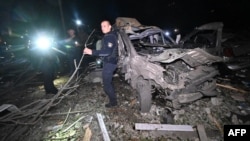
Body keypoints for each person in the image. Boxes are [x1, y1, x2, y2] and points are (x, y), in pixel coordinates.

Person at [84, 20, 118, 108]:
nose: (103, 28)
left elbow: (107, 52)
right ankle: (113, 96)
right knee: (108, 82)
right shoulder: (110, 35)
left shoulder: (110, 37)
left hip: (110, 63)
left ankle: (113, 102)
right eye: (102, 26)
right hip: (110, 62)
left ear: (110, 26)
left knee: (106, 84)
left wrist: (92, 52)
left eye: (105, 26)